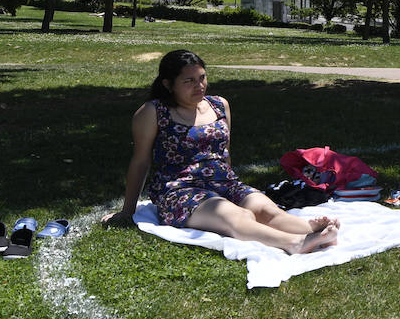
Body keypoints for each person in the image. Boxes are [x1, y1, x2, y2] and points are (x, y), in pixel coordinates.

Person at [104, 49, 339, 254]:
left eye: (202, 77)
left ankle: (313, 229)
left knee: (265, 208)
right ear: (168, 84)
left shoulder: (219, 105)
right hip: (180, 190)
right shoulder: (153, 112)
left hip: (223, 182)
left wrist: (234, 186)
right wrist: (128, 210)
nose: (200, 86)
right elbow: (141, 162)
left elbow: (224, 152)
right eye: (189, 81)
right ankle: (295, 243)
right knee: (237, 216)